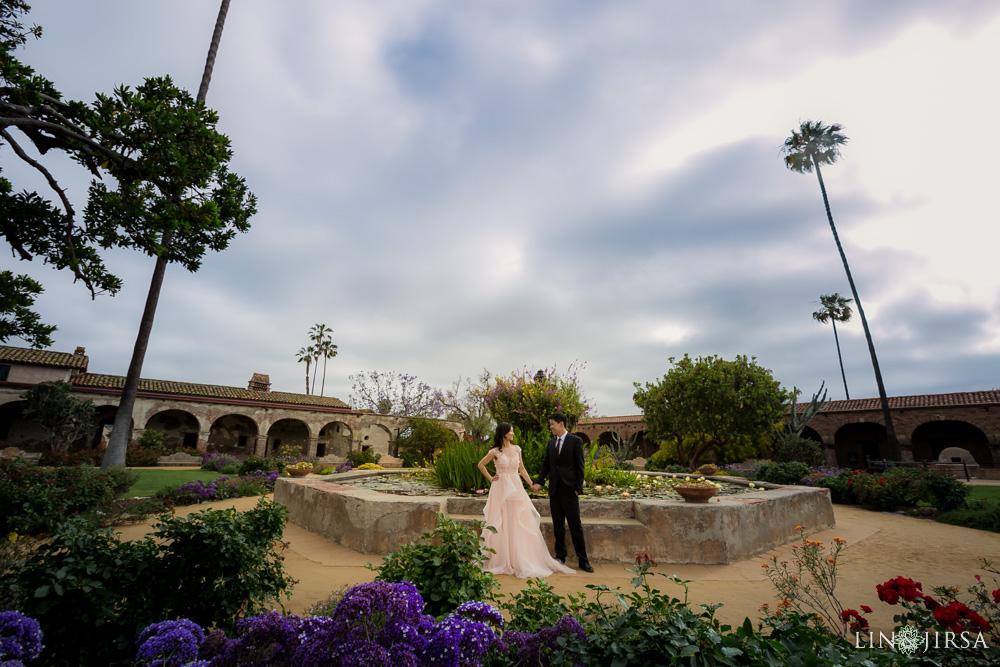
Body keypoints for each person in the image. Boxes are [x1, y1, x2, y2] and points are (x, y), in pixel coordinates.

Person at [477, 422, 575, 578]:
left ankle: (518, 557)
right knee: (501, 520)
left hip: (516, 487)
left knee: (517, 519)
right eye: (511, 431)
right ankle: (502, 558)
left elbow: (521, 468)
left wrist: (531, 484)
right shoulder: (494, 451)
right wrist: (491, 478)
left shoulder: (517, 449)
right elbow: (481, 465)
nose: (513, 433)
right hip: (500, 488)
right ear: (504, 434)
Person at [531, 412, 594, 572]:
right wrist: (538, 481)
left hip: (570, 490)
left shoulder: (575, 441)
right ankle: (560, 558)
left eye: (552, 424)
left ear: (561, 424)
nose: (550, 427)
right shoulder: (551, 443)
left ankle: (583, 560)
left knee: (575, 526)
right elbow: (546, 465)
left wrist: (577, 489)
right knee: (557, 525)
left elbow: (580, 467)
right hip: (554, 491)